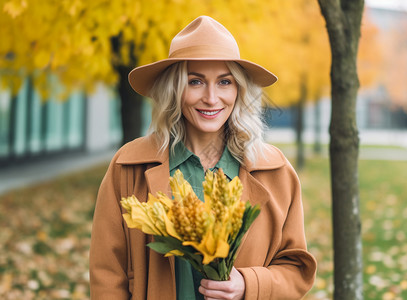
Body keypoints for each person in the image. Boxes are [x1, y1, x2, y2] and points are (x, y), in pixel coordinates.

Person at [89, 16, 317, 300]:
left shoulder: (275, 171)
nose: (211, 98)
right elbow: (108, 274)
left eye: (224, 82)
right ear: (174, 90)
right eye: (195, 81)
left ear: (239, 90)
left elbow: (296, 269)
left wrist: (248, 284)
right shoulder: (128, 167)